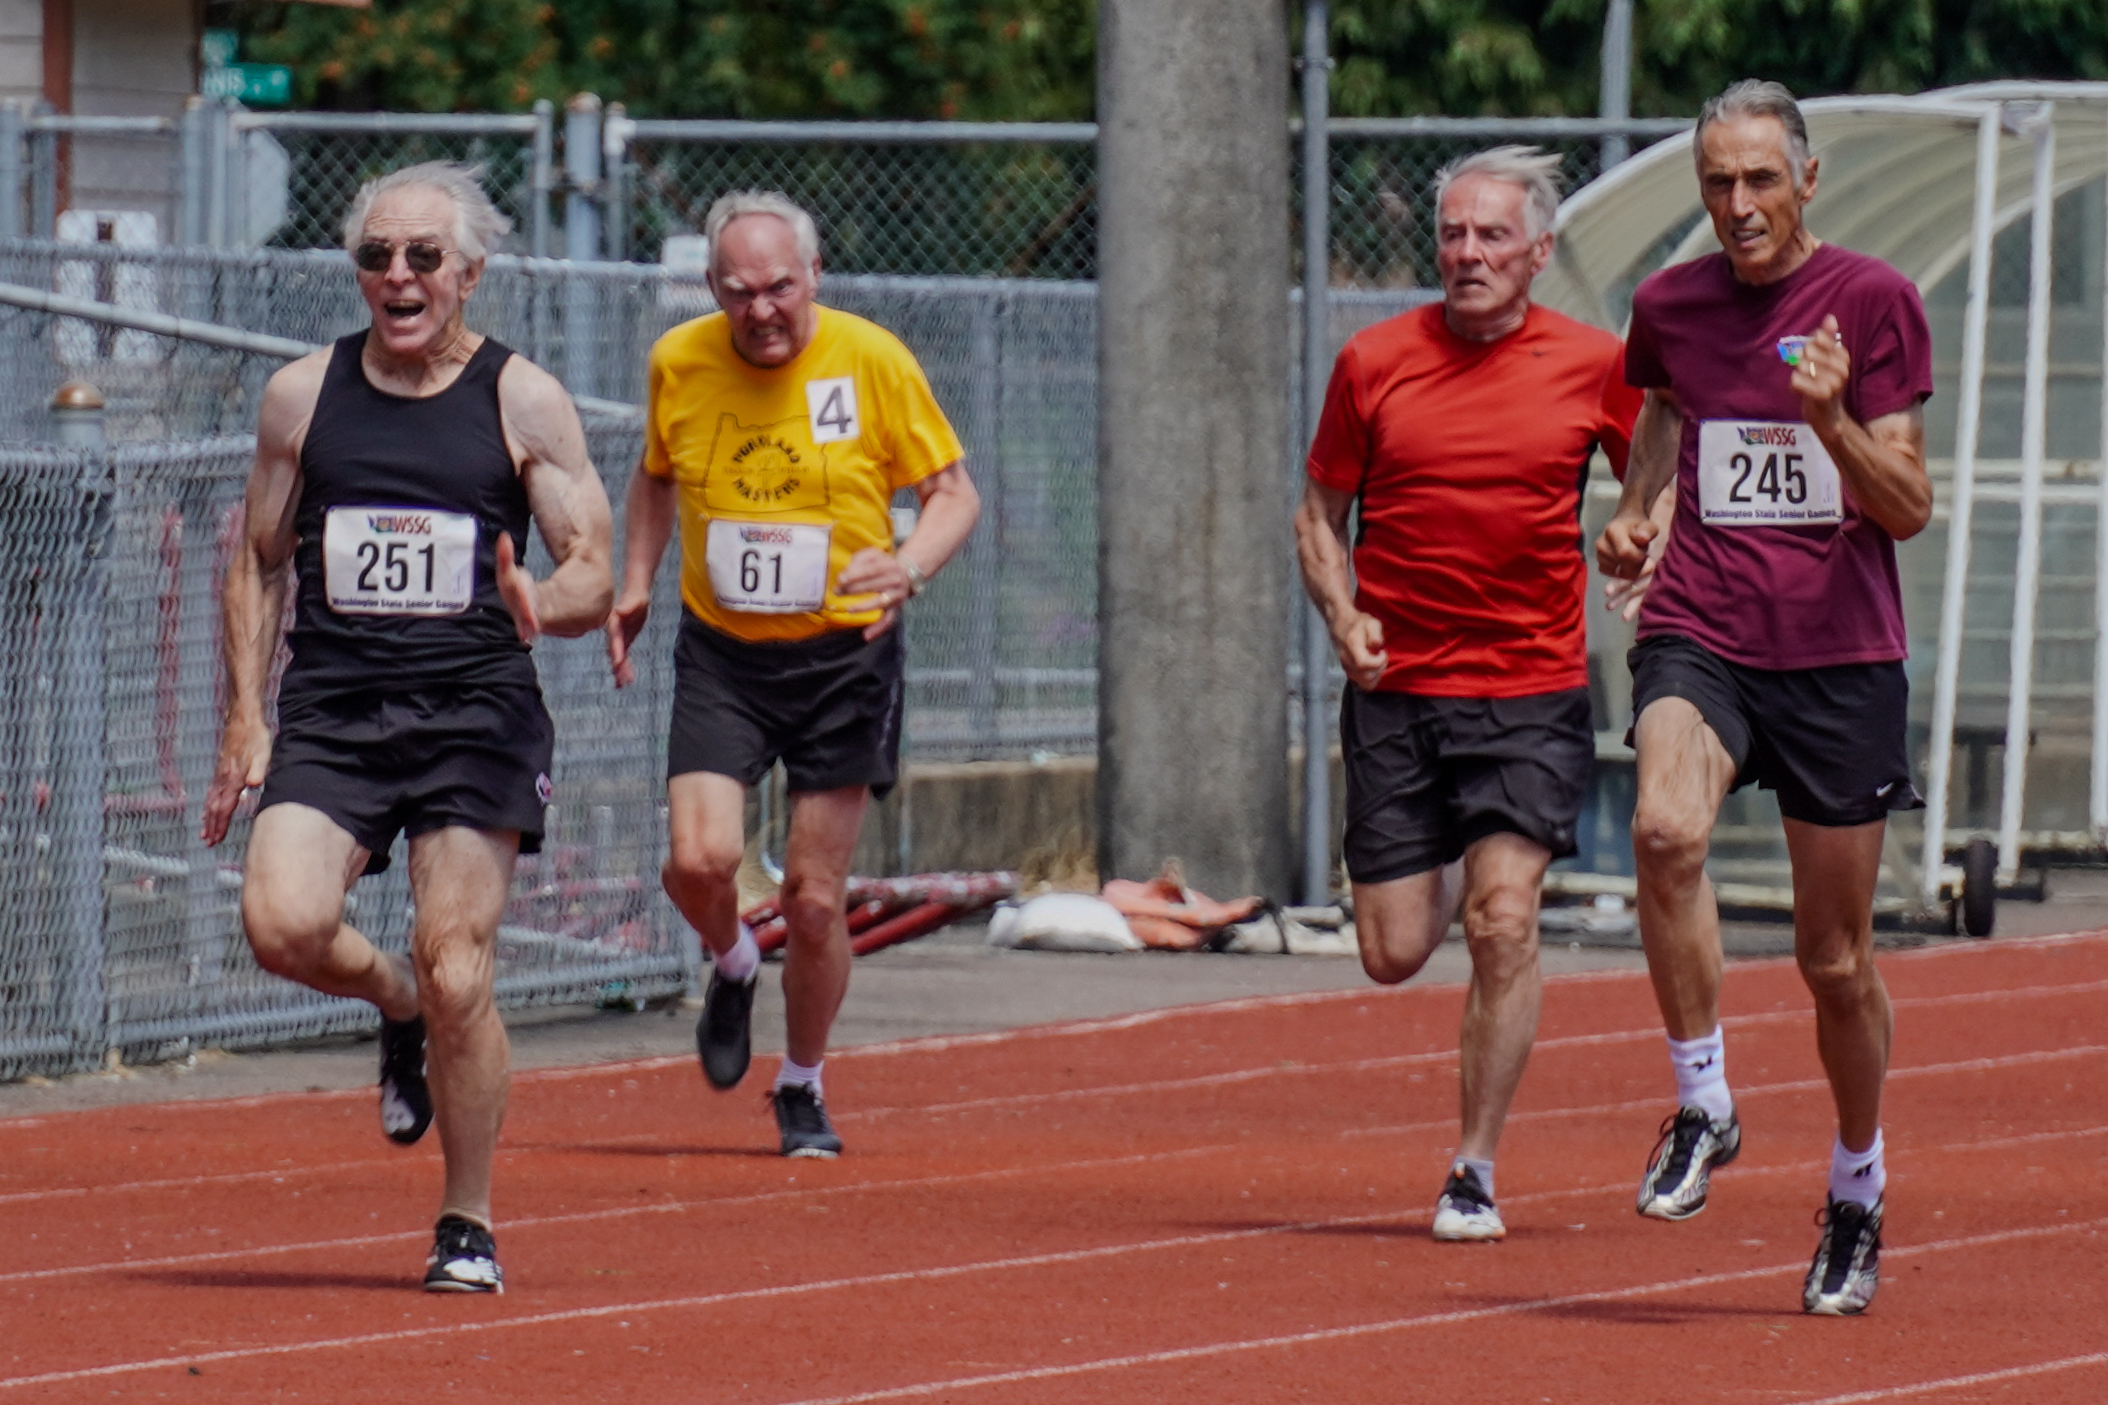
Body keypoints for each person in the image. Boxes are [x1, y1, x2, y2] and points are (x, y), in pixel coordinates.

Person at [202, 162, 614, 1294]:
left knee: (460, 964)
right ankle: (389, 1001)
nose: (397, 276)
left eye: (423, 258)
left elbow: (592, 565)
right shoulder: (301, 395)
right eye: (376, 257)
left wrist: (546, 605)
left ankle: (466, 1217)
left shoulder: (520, 400)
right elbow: (257, 556)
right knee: (281, 924)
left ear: (469, 274)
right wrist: (244, 715)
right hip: (334, 709)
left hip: (474, 711)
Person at [1595, 80, 1933, 1316]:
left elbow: (1905, 504)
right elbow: (1661, 416)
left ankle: (1854, 1185)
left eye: (1756, 181)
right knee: (1664, 829)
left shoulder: (1873, 301)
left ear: (1804, 180)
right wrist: (1634, 516)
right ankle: (1702, 1101)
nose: (1735, 206)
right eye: (1715, 182)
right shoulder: (1668, 306)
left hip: (1840, 655)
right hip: (1705, 628)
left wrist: (1829, 421)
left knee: (1831, 960)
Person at [1297, 147, 1640, 1242]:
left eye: (1490, 235)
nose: (1466, 253)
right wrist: (1342, 618)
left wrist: (1644, 536)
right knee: (1392, 951)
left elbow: (1660, 469)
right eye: (1451, 233)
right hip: (1399, 690)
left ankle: (1473, 1167)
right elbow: (1318, 514)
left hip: (1529, 688)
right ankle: (1442, 845)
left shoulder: (1594, 364)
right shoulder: (1372, 359)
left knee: (1503, 922)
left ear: (1538, 251)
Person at [607, 191, 980, 1158]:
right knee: (696, 862)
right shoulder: (679, 362)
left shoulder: (872, 360)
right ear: (712, 290)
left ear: (813, 276)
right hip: (724, 653)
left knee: (815, 900)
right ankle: (733, 958)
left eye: (779, 287)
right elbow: (654, 474)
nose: (762, 309)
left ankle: (803, 1081)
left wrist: (910, 565)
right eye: (740, 292)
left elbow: (952, 493)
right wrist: (635, 580)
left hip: (842, 658)